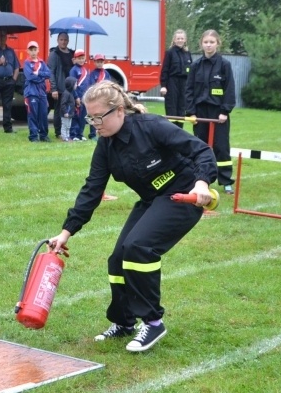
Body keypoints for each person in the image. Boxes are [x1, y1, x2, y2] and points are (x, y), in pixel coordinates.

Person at [48, 80, 216, 352]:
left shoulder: (151, 126)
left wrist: (202, 183)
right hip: (152, 199)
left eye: (99, 117)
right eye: (90, 118)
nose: (95, 124)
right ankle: (124, 322)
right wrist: (66, 232)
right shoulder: (105, 145)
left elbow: (201, 150)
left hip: (183, 195)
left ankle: (153, 322)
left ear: (119, 111)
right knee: (117, 259)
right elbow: (92, 189)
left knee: (139, 248)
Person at [185, 29, 236, 194]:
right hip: (200, 113)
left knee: (221, 147)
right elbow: (189, 91)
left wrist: (225, 111)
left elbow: (229, 90)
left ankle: (226, 181)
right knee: (200, 146)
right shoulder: (195, 65)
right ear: (201, 44)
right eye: (205, 42)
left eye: (211, 42)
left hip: (218, 113)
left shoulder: (224, 65)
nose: (208, 45)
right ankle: (200, 179)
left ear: (217, 44)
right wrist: (191, 113)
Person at [159, 29, 193, 128]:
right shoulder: (170, 52)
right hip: (172, 82)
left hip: (184, 83)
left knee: (182, 109)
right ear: (174, 40)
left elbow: (191, 71)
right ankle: (171, 130)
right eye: (178, 38)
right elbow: (165, 70)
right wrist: (163, 86)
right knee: (172, 109)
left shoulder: (187, 53)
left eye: (182, 38)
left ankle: (180, 131)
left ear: (185, 40)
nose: (180, 40)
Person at [23, 40, 52, 142]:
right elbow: (30, 77)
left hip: (42, 93)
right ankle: (34, 136)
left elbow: (48, 74)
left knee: (43, 114)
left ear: (38, 50)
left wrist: (38, 73)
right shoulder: (26, 63)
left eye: (35, 50)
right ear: (28, 51)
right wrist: (41, 76)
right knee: (33, 115)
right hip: (31, 93)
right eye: (31, 50)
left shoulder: (42, 63)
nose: (33, 52)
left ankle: (44, 135)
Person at [48, 32, 74, 138]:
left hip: (71, 88)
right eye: (61, 40)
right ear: (57, 40)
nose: (63, 42)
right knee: (59, 111)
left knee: (71, 110)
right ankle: (58, 132)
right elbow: (51, 72)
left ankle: (69, 131)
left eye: (65, 40)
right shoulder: (54, 54)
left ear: (68, 41)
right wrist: (53, 88)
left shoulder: (72, 53)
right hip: (59, 88)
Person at [87, 54, 111, 140]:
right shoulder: (93, 74)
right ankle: (92, 133)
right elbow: (91, 85)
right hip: (95, 97)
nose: (99, 63)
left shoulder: (106, 73)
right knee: (94, 116)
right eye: (98, 62)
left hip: (103, 97)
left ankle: (102, 132)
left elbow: (109, 84)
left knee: (103, 115)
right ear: (94, 62)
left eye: (101, 62)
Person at [68, 49, 90, 141]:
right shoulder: (73, 70)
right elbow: (72, 85)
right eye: (79, 58)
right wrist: (76, 97)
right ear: (75, 59)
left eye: (82, 58)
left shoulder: (85, 69)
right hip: (77, 97)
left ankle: (80, 133)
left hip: (85, 97)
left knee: (83, 116)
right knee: (76, 116)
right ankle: (74, 134)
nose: (81, 60)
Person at [59, 77, 77, 142]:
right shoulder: (66, 93)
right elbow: (63, 104)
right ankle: (64, 137)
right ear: (71, 85)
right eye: (75, 84)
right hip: (66, 114)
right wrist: (65, 112)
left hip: (70, 113)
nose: (76, 85)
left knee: (68, 126)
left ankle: (67, 136)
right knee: (65, 125)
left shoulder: (71, 93)